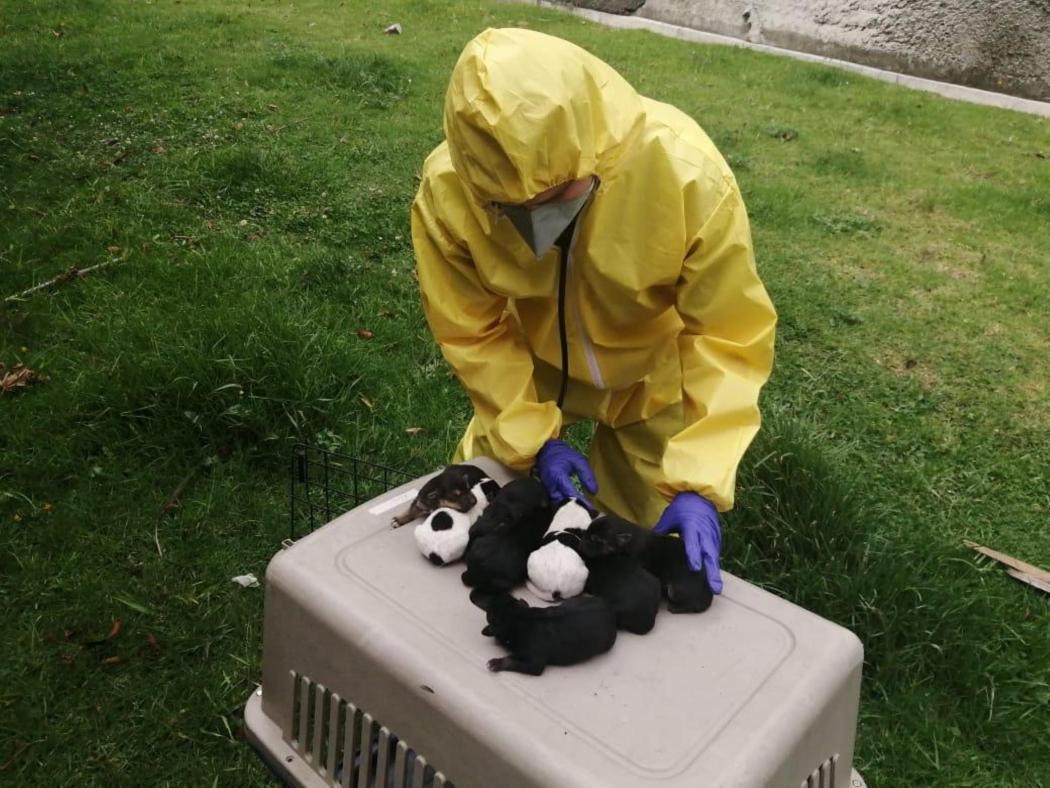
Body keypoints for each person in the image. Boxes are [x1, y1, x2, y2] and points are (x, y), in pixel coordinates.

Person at [411, 28, 776, 595]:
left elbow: (726, 335)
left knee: (626, 553)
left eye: (557, 195)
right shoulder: (446, 193)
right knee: (470, 513)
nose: (538, 221)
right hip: (529, 373)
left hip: (649, 375)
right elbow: (472, 331)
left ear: (592, 144)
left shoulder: (685, 174)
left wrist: (698, 480)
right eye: (512, 208)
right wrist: (530, 440)